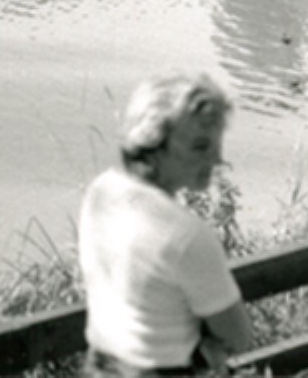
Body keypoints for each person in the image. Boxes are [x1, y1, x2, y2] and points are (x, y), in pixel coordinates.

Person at [79, 74, 253, 377]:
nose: (217, 159)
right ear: (154, 143)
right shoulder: (185, 235)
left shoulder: (101, 194)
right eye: (201, 146)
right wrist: (205, 346)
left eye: (216, 145)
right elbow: (239, 338)